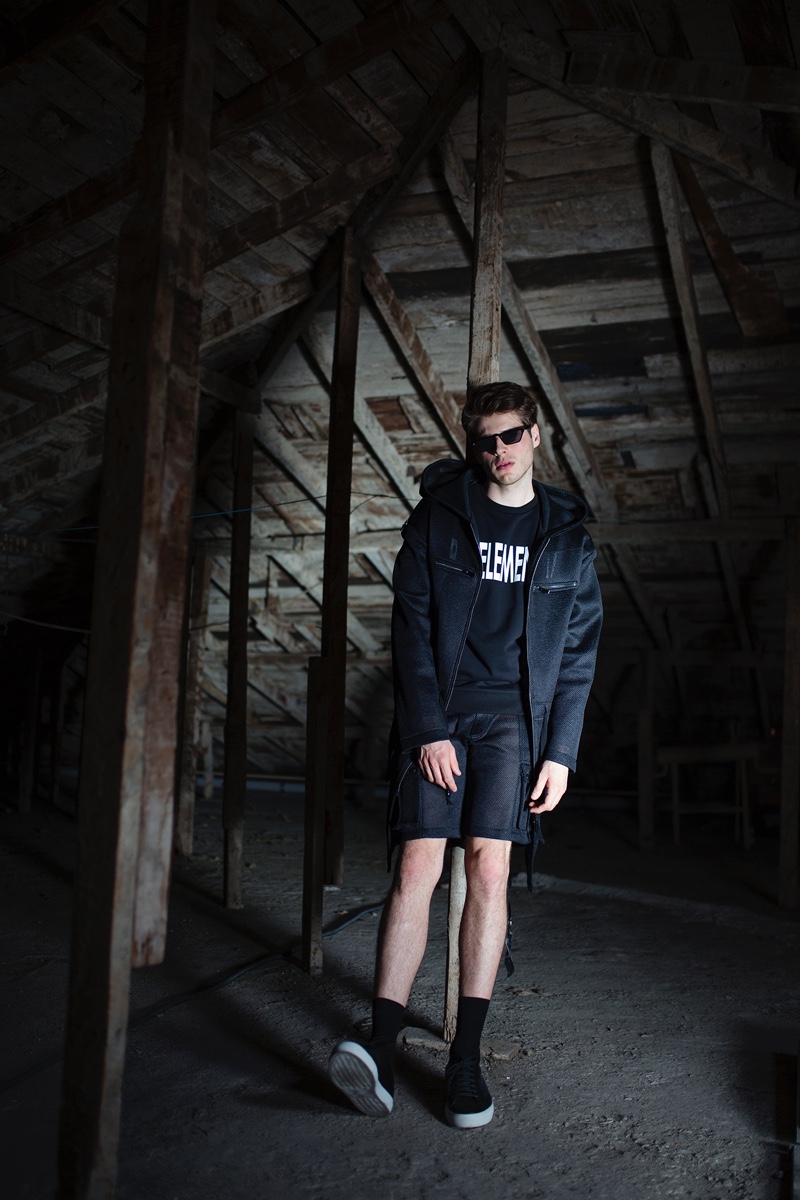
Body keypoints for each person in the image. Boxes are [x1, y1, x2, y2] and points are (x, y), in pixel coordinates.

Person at [328, 380, 602, 1128]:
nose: (499, 450)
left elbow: (578, 654)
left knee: (489, 871)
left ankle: (466, 1061)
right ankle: (380, 1049)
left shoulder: (567, 536)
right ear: (472, 445)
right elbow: (410, 630)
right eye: (485, 440)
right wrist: (425, 729)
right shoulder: (438, 519)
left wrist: (561, 752)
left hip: (516, 725)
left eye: (511, 435)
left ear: (535, 436)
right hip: (442, 716)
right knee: (416, 866)